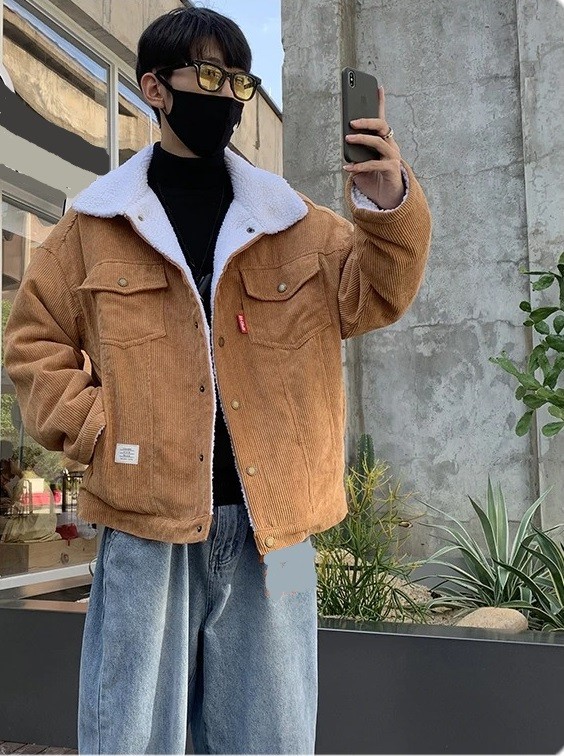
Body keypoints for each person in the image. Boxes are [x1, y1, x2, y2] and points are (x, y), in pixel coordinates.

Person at [3, 6, 432, 754]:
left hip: (282, 532)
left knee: (274, 732)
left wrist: (388, 201)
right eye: (209, 74)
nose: (228, 94)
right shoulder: (95, 226)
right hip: (145, 522)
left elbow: (378, 294)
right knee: (132, 734)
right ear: (154, 88)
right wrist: (99, 430)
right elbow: (33, 340)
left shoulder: (295, 223)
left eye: (239, 80)